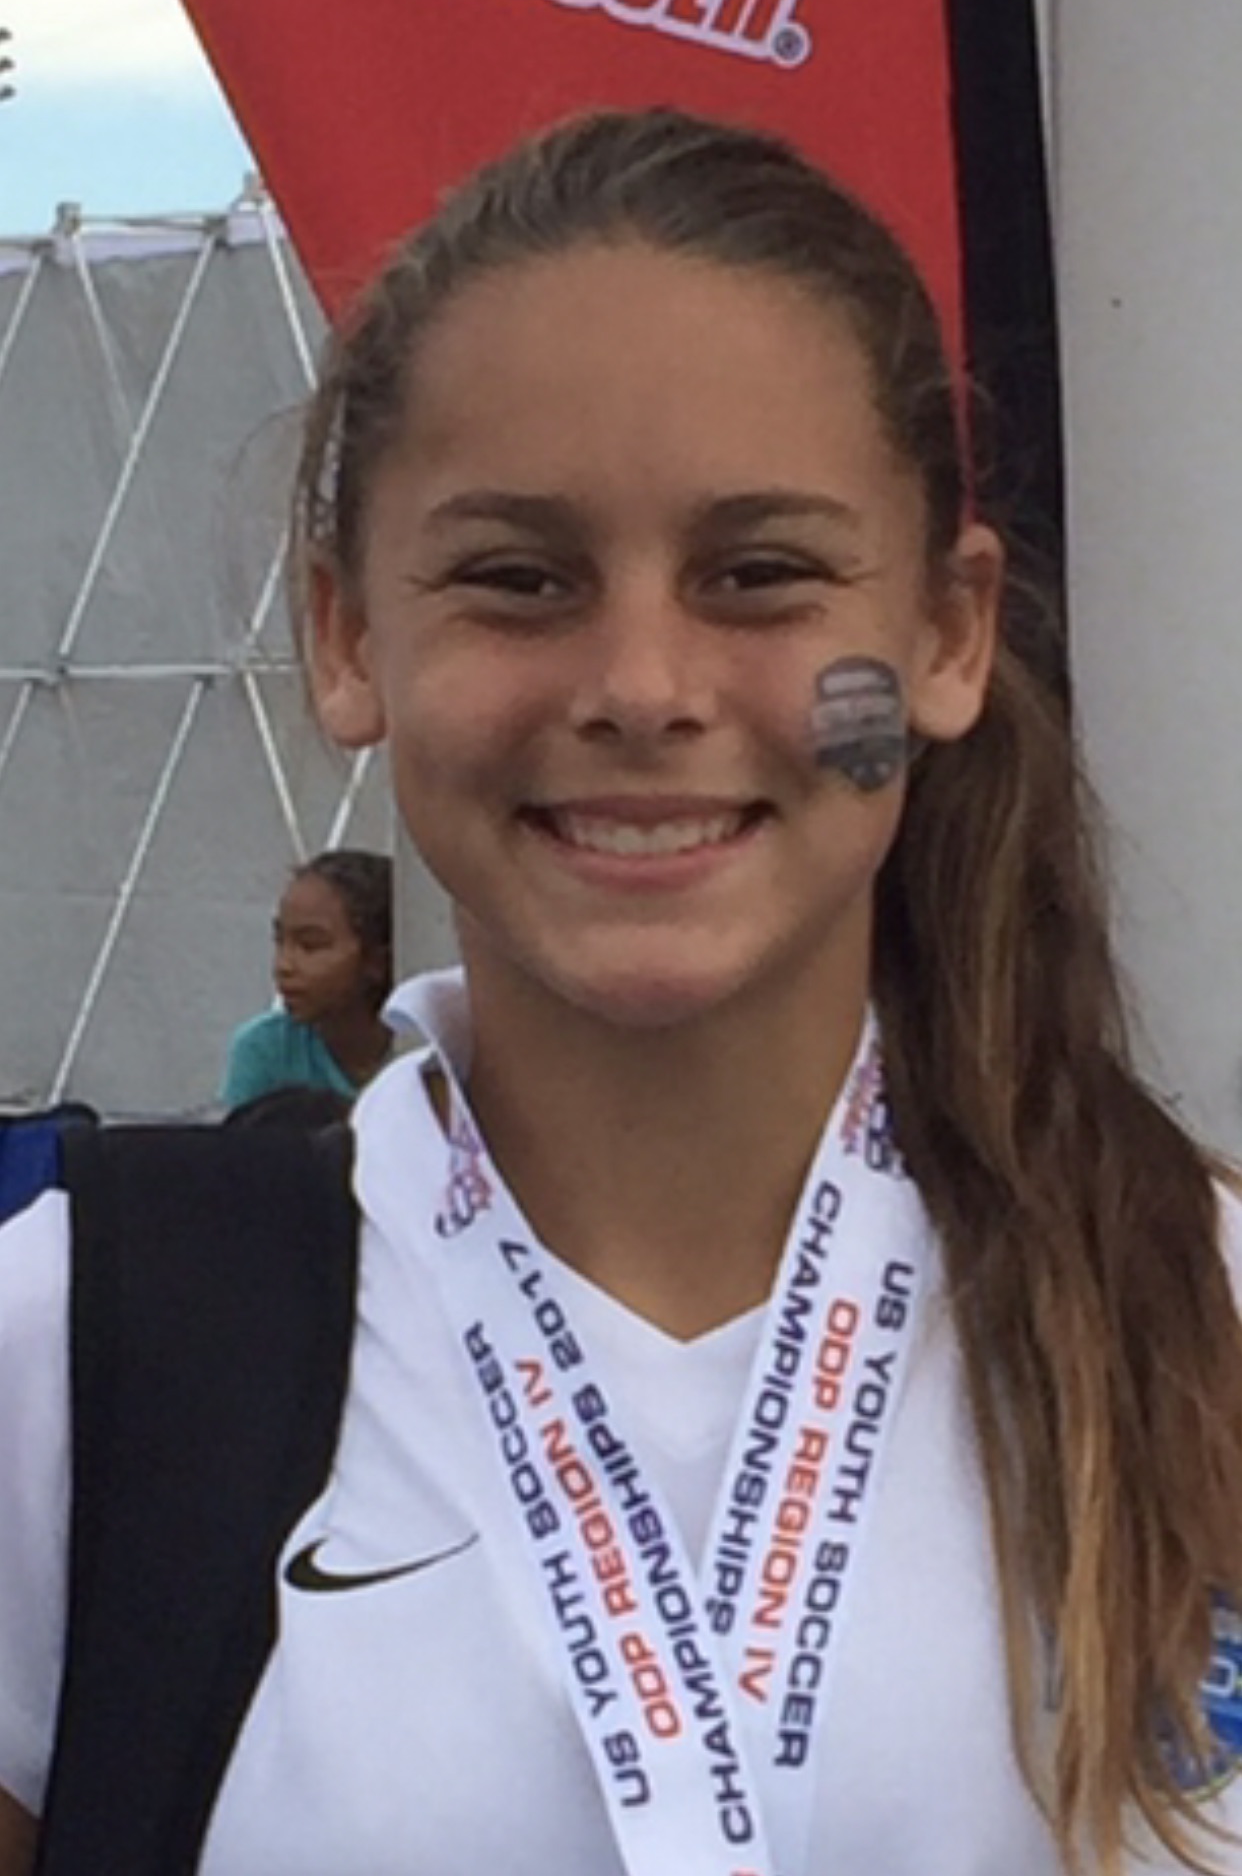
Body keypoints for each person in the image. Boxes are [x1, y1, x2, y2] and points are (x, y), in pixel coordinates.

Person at [2, 107, 1242, 1876]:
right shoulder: (71, 1354)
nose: (644, 683)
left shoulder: (1202, 1312)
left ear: (948, 634)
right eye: (518, 580)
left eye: (760, 574)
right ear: (348, 635)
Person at [220, 848, 394, 1109]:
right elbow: (240, 1134)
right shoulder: (265, 1049)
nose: (283, 966)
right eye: (279, 941)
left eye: (310, 945)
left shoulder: (427, 1047)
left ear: (376, 961)